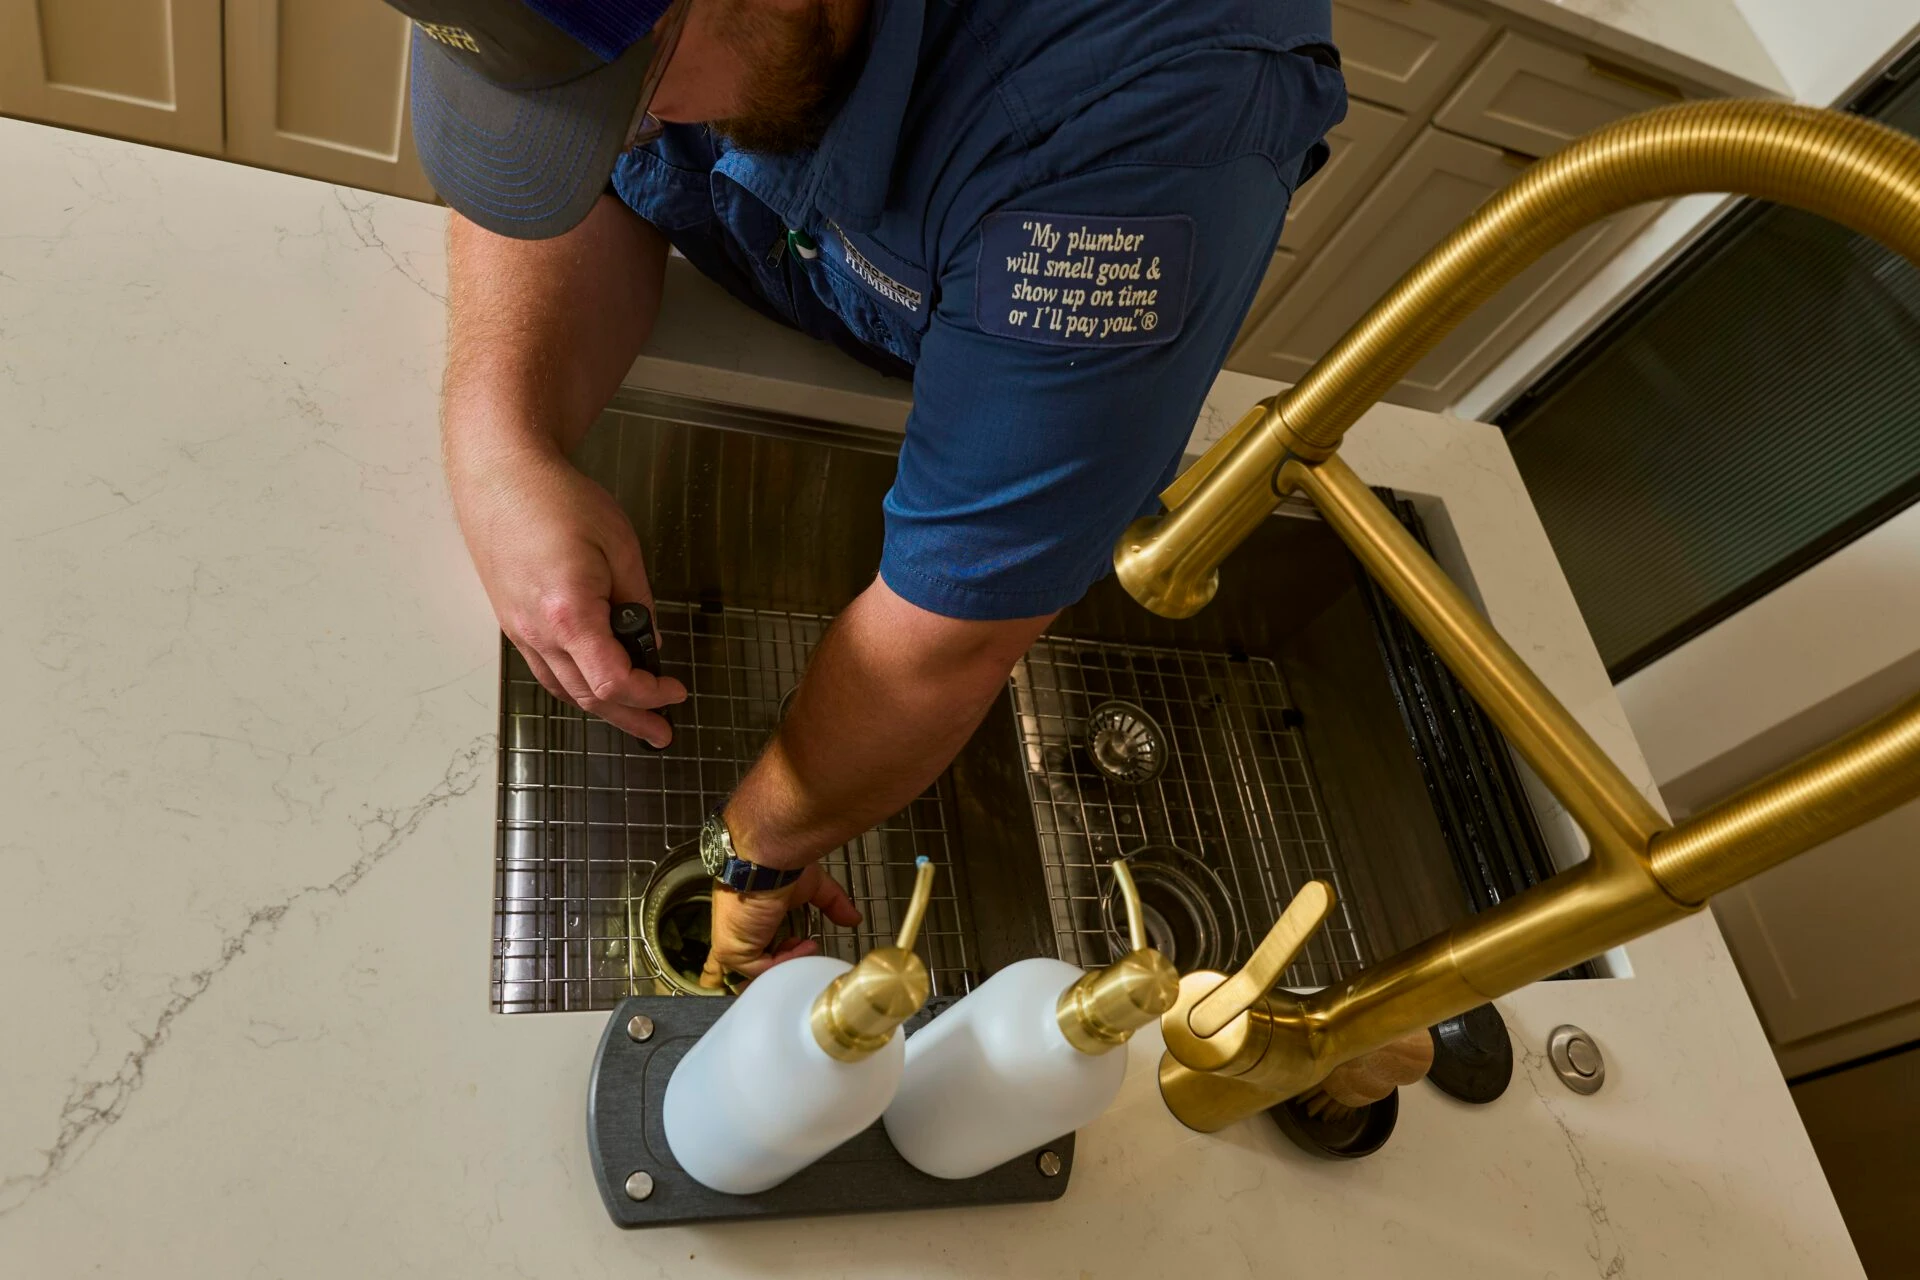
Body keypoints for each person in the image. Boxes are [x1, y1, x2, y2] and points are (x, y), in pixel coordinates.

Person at [387, 0, 1346, 986]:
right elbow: (582, 180)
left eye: (630, 103)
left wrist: (751, 848)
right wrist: (501, 451)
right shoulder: (677, 33)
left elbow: (945, 641)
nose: (642, 134)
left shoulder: (1136, 124)